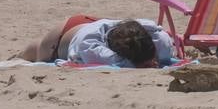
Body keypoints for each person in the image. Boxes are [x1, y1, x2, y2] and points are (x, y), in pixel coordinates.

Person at [18, 16, 177, 67]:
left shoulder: (159, 41)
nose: (156, 63)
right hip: (60, 39)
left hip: (97, 23)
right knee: (33, 54)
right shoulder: (90, 47)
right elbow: (121, 64)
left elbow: (155, 31)